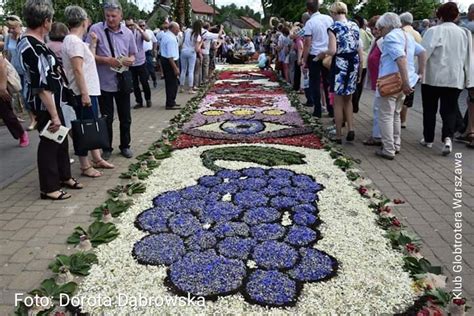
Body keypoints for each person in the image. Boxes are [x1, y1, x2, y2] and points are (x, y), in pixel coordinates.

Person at [19, 0, 83, 200]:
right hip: (46, 104)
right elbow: (41, 85)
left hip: (56, 100)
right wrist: (54, 114)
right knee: (49, 142)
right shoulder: (31, 46)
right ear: (46, 21)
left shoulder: (37, 43)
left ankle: (64, 176)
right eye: (51, 19)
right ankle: (49, 187)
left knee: (61, 139)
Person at [62, 5, 115, 178]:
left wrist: (93, 44)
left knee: (91, 125)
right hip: (82, 92)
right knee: (84, 128)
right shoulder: (73, 42)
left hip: (89, 90)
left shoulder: (76, 41)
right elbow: (78, 69)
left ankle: (97, 158)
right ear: (84, 21)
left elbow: (87, 60)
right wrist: (84, 94)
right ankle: (85, 165)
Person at [420, 2, 473, 155]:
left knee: (430, 109)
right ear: (456, 16)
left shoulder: (433, 31)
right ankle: (447, 139)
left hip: (432, 77)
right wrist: (469, 79)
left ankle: (428, 139)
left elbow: (425, 54)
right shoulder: (465, 33)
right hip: (455, 78)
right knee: (449, 110)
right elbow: (468, 57)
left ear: (440, 15)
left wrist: (418, 72)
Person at [87, 1, 137, 160]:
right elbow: (90, 55)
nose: (110, 19)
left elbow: (133, 54)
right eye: (107, 16)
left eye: (114, 16)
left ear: (120, 16)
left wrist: (130, 60)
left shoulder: (128, 33)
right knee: (107, 117)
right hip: (104, 82)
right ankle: (106, 147)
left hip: (122, 80)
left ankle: (125, 146)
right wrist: (107, 60)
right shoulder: (95, 29)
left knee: (125, 117)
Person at [375, 12, 426, 160]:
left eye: (380, 28)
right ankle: (396, 144)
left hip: (392, 82)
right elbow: (422, 52)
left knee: (385, 116)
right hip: (404, 81)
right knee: (396, 114)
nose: (380, 32)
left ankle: (388, 149)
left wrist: (405, 83)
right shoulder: (407, 36)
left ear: (386, 27)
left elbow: (401, 59)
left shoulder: (390, 37)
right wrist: (420, 73)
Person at [322, 1, 362, 144]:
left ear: (333, 13)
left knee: (338, 102)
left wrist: (322, 53)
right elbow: (358, 48)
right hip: (353, 62)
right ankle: (351, 128)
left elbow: (332, 50)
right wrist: (360, 71)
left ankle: (338, 134)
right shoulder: (354, 25)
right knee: (348, 100)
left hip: (340, 64)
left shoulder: (333, 27)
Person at [4, 15, 37, 131]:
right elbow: (7, 54)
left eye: (13, 27)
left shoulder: (25, 36)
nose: (11, 30)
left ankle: (37, 118)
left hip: (27, 70)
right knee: (24, 96)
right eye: (9, 28)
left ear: (19, 25)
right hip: (16, 71)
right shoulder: (8, 38)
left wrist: (19, 38)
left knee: (30, 94)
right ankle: (33, 118)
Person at [302, 1, 333, 118]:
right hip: (327, 54)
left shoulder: (310, 23)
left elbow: (307, 43)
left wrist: (304, 60)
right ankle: (331, 108)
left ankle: (318, 109)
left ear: (308, 10)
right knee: (328, 82)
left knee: (314, 83)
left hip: (314, 55)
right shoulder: (329, 19)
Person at [0, 54, 29, 147]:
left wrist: (3, 86)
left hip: (1, 86)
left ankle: (21, 133)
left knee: (7, 114)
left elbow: (2, 65)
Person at [400, 12, 422, 129]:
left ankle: (398, 119)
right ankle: (404, 120)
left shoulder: (402, 33)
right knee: (408, 97)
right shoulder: (417, 34)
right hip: (413, 69)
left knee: (399, 96)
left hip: (402, 68)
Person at [363, 15, 383, 147]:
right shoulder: (378, 40)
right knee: (378, 108)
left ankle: (378, 136)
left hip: (383, 79)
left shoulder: (383, 41)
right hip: (378, 79)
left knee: (379, 108)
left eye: (375, 29)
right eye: (372, 29)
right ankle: (379, 135)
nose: (373, 31)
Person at [124, 17, 152, 110]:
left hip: (141, 61)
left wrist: (139, 29)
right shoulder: (124, 34)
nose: (129, 27)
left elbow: (148, 39)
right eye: (127, 25)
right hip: (131, 63)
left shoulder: (139, 33)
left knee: (144, 82)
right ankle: (139, 101)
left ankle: (148, 99)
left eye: (131, 25)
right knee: (135, 84)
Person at [352, 15, 373, 114]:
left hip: (357, 59)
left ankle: (353, 104)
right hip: (364, 60)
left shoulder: (354, 33)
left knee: (354, 84)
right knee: (359, 85)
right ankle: (356, 105)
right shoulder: (365, 32)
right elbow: (370, 42)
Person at [160, 22, 181, 110]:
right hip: (170, 62)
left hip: (166, 60)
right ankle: (170, 103)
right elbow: (170, 56)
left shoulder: (167, 35)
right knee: (172, 83)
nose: (179, 30)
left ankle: (172, 101)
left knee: (171, 83)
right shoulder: (171, 39)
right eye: (177, 29)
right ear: (173, 29)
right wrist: (175, 68)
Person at [180, 20, 202, 94]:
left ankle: (181, 87)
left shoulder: (187, 31)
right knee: (191, 71)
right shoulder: (197, 35)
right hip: (191, 52)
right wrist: (200, 43)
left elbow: (182, 39)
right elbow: (197, 49)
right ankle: (190, 89)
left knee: (183, 70)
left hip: (183, 51)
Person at [140, 20, 158, 88]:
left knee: (151, 68)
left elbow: (155, 41)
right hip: (140, 53)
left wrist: (154, 50)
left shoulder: (150, 32)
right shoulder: (137, 33)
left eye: (143, 25)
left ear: (146, 26)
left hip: (148, 52)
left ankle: (154, 79)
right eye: (140, 26)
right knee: (143, 70)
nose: (142, 27)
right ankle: (145, 83)